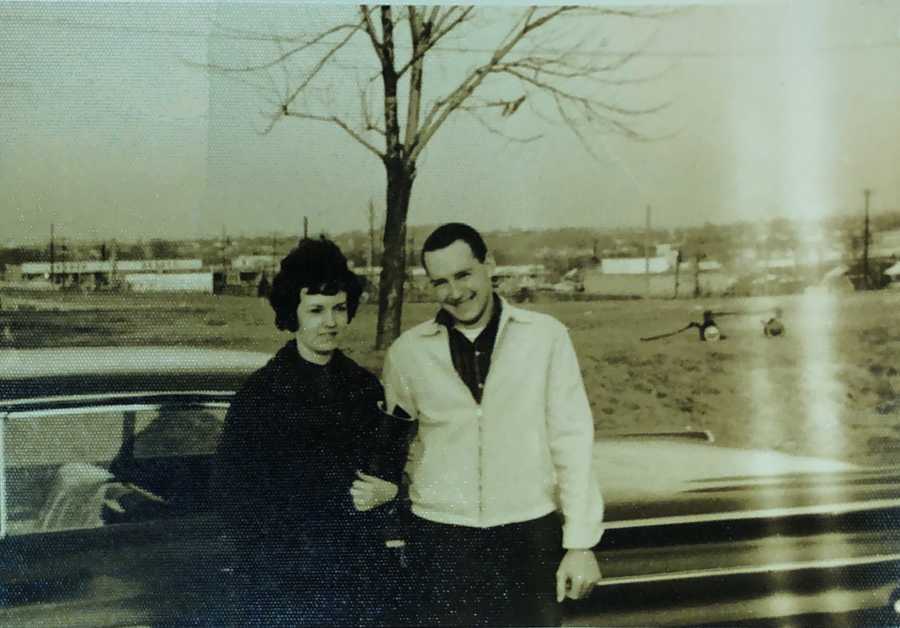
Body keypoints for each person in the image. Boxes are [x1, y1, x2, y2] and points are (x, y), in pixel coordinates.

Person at [382, 223, 604, 627]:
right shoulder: (408, 353)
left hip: (527, 536)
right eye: (440, 282)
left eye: (464, 275)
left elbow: (572, 440)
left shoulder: (545, 338)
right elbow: (396, 444)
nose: (454, 292)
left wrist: (580, 544)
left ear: (489, 265)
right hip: (441, 540)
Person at [212, 237, 407, 626]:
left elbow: (387, 474)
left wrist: (391, 491)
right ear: (293, 313)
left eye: (338, 308)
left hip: (357, 583)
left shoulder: (366, 389)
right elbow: (234, 497)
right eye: (316, 310)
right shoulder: (260, 396)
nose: (330, 322)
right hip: (284, 586)